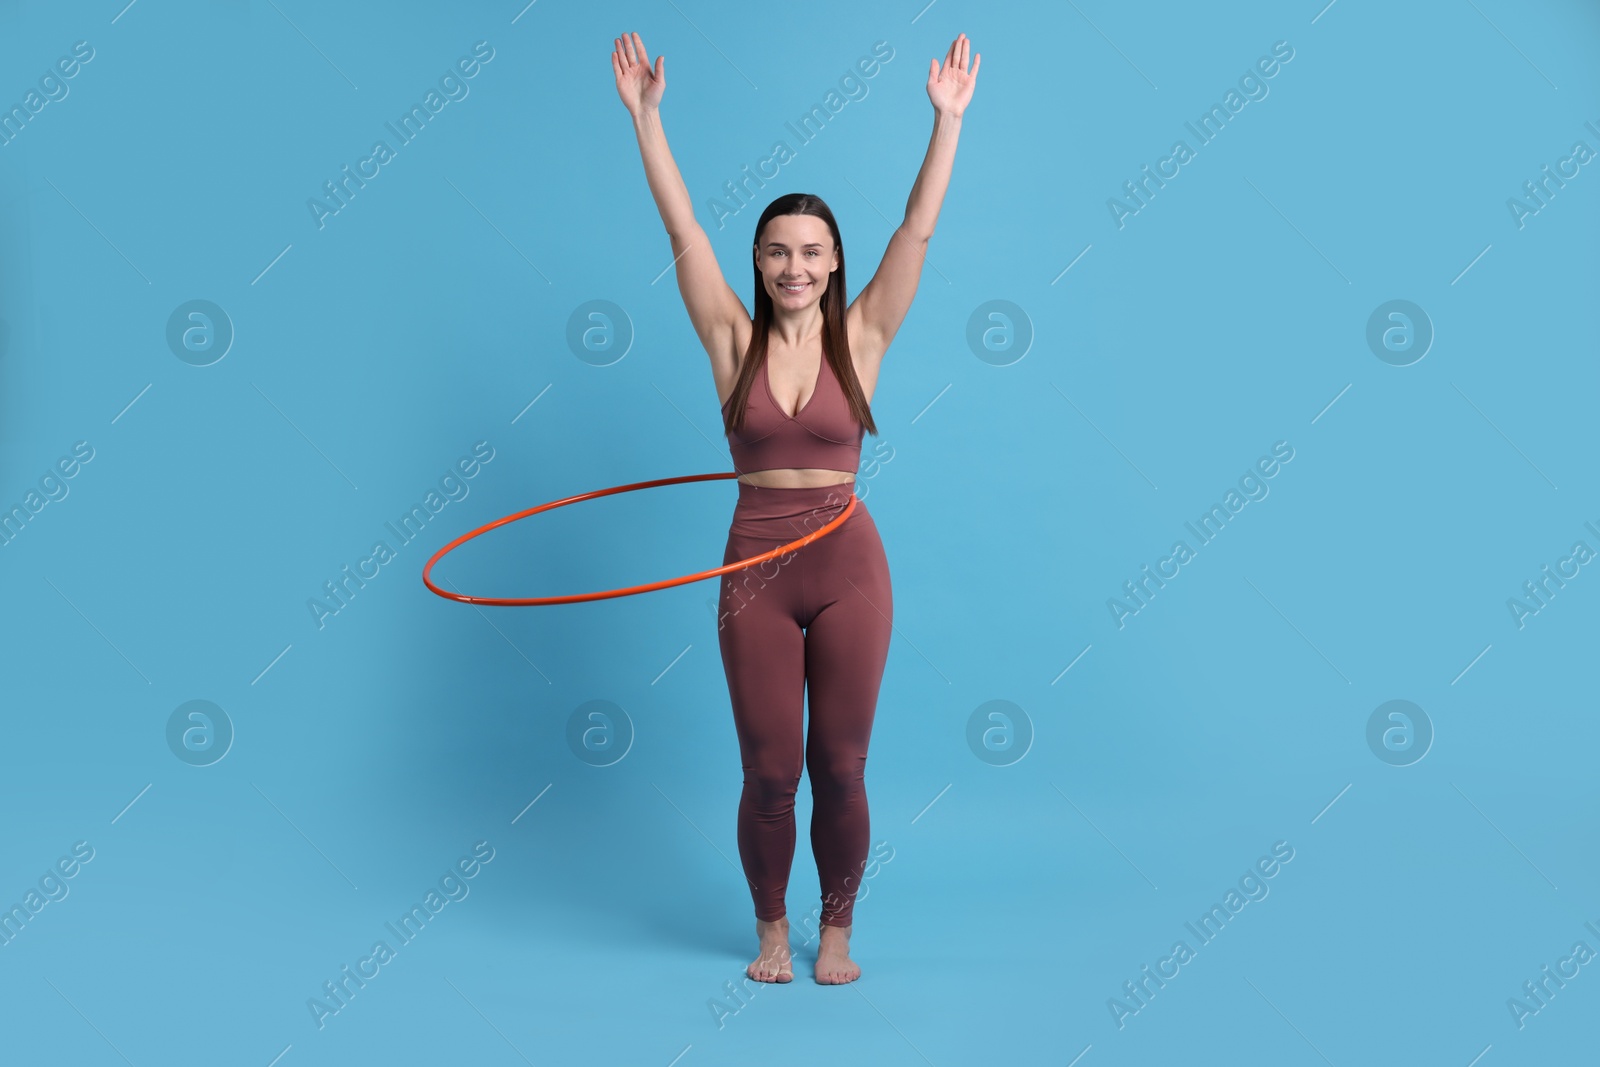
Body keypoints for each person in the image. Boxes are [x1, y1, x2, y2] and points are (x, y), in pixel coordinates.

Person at [612, 29, 978, 984]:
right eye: (777, 252)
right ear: (761, 261)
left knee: (841, 768)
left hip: (847, 562)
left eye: (812, 251)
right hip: (753, 568)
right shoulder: (730, 339)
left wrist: (945, 124)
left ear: (833, 260)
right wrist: (649, 120)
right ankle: (773, 929)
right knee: (771, 771)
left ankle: (841, 930)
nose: (795, 267)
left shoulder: (864, 333)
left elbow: (918, 232)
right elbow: (683, 233)